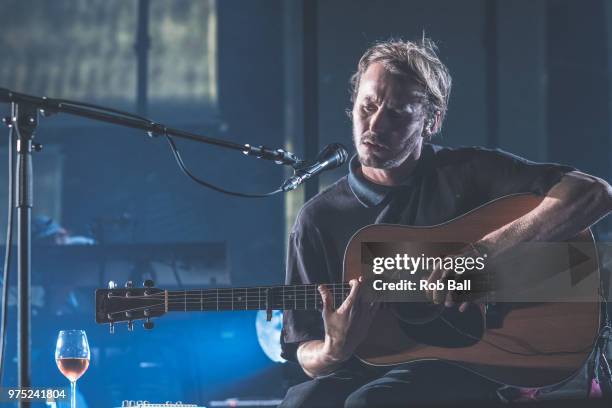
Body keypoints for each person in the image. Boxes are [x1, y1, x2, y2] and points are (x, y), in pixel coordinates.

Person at [279, 38, 612, 407]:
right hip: (356, 368)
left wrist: (483, 254)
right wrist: (332, 351)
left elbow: (595, 193)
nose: (374, 125)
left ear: (430, 122)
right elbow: (301, 347)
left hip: (467, 364)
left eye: (397, 114)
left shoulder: (470, 173)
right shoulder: (318, 218)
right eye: (367, 107)